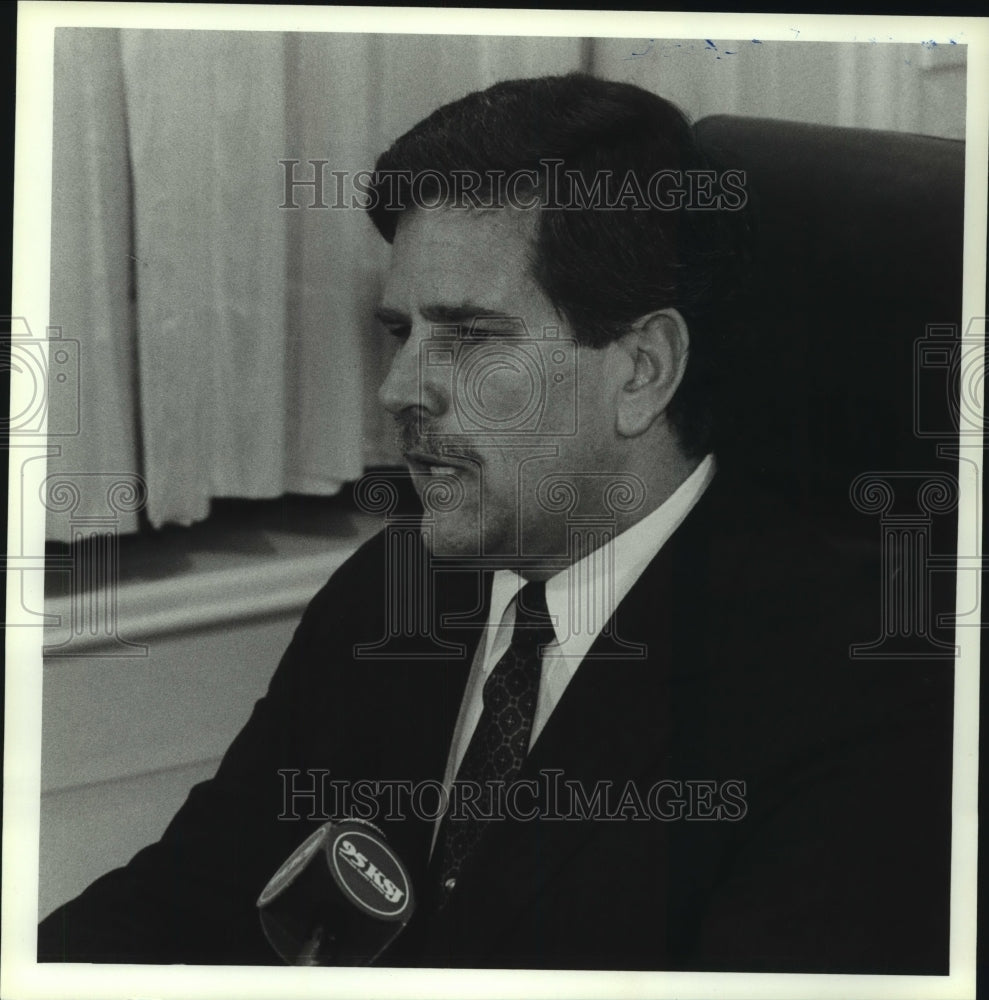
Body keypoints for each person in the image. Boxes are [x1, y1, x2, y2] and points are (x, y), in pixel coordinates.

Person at [38, 73, 952, 972]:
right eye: (400, 333)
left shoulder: (858, 702)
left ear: (640, 370)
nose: (398, 391)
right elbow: (184, 903)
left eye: (470, 337)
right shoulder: (393, 596)